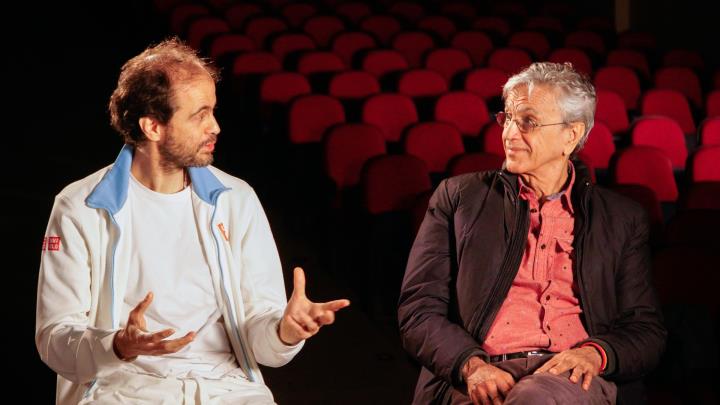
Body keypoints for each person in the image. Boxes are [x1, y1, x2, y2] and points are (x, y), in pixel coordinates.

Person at [35, 38, 350, 404]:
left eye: (213, 111)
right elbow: (54, 338)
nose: (215, 126)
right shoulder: (79, 207)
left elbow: (260, 338)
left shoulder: (237, 199)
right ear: (153, 127)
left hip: (228, 389)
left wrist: (284, 331)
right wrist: (117, 345)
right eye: (200, 115)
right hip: (124, 389)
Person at [398, 62, 666, 405]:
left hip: (570, 379)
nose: (510, 133)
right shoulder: (459, 198)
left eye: (528, 122)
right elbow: (418, 310)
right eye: (507, 118)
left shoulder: (621, 218)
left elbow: (645, 331)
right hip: (476, 376)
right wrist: (471, 365)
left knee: (533, 398)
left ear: (571, 135)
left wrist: (596, 354)